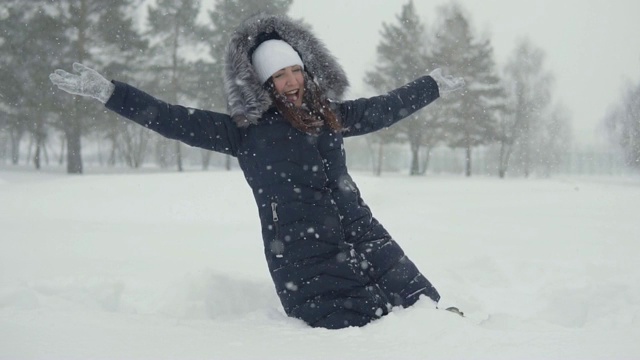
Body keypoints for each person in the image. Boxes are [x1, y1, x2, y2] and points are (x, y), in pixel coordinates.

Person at [49, 14, 465, 329]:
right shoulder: (243, 133)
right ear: (264, 83)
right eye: (279, 75)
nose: (291, 81)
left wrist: (430, 86)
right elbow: (169, 117)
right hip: (305, 257)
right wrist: (110, 94)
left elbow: (383, 108)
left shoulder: (329, 116)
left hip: (366, 234)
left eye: (295, 70)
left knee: (428, 315)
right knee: (362, 336)